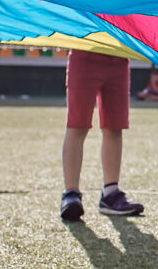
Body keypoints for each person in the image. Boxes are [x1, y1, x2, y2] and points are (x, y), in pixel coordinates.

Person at [60, 49, 143, 221]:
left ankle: (111, 193)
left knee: (114, 127)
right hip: (83, 55)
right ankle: (71, 193)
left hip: (118, 56)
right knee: (77, 125)